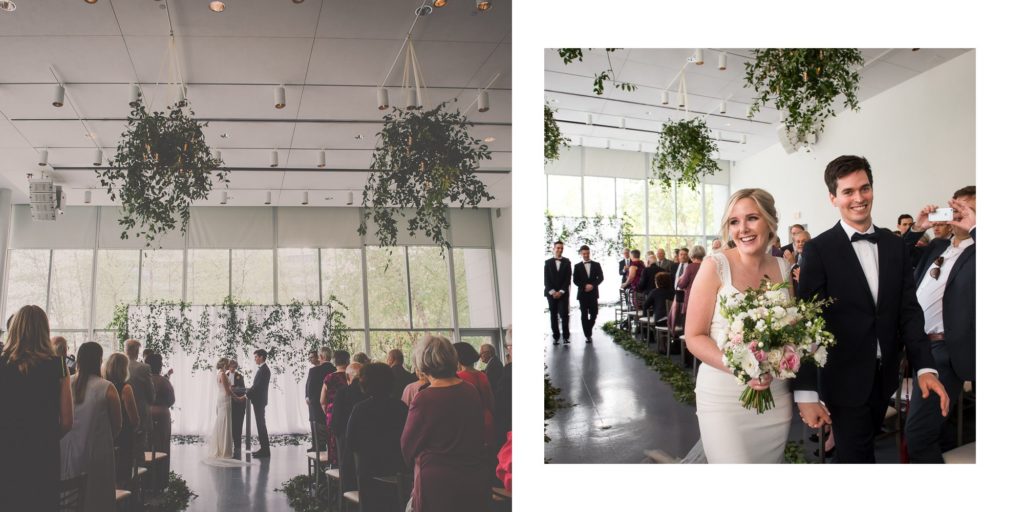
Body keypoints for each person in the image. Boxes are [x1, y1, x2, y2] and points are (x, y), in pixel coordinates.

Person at [794, 155, 948, 463]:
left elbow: (908, 311)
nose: (859, 198)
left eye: (864, 188)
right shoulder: (818, 250)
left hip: (885, 377)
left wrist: (925, 367)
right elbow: (807, 322)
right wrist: (806, 392)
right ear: (833, 198)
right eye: (848, 191)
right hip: (842, 378)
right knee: (857, 459)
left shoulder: (893, 246)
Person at [683, 188, 794, 463]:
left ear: (769, 221)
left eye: (752, 218)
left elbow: (790, 330)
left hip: (775, 395)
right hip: (723, 398)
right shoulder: (714, 266)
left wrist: (780, 359)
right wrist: (741, 366)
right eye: (734, 221)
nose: (742, 228)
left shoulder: (783, 268)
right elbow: (693, 336)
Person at [903, 186, 976, 462]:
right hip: (913, 345)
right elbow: (893, 258)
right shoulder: (937, 245)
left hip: (944, 351)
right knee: (932, 429)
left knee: (918, 434)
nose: (960, 216)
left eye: (969, 211)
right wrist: (918, 228)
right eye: (957, 209)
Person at [401, 335, 489, 512]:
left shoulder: (424, 398)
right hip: (472, 476)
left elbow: (407, 446)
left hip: (436, 482)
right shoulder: (470, 390)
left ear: (424, 362)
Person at [0, 305, 72, 511]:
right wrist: (44, 437)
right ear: (44, 330)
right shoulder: (58, 365)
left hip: (6, 450)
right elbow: (67, 421)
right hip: (43, 453)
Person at [61, 341, 118, 512]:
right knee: (96, 499)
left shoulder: (65, 382)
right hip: (97, 452)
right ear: (99, 360)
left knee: (67, 497)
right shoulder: (107, 387)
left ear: (78, 360)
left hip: (65, 451)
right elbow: (117, 425)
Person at [345, 362, 409, 512]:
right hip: (398, 473)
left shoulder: (360, 410)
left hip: (369, 475)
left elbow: (351, 442)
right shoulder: (401, 408)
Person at [105, 352, 140, 485]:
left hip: (107, 435)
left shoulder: (103, 386)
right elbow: (134, 419)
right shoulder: (125, 389)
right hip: (123, 436)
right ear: (124, 369)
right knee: (123, 475)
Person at [454, 342, 496, 449]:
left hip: (469, 425)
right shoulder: (482, 375)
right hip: (487, 421)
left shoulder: (457, 377)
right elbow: (491, 402)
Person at [206, 357, 247, 465]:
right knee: (224, 423)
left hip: (222, 398)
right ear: (225, 365)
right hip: (225, 399)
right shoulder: (223, 374)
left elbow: (225, 389)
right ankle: (224, 450)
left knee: (223, 423)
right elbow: (228, 391)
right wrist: (237, 398)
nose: (230, 366)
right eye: (228, 364)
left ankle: (221, 448)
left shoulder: (219, 374)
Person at [332, 362, 366, 489]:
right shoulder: (368, 393)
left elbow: (335, 423)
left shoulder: (342, 392)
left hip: (346, 443)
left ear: (347, 377)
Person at [147, 353, 175, 486]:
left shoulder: (144, 380)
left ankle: (146, 478)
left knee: (147, 445)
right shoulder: (164, 381)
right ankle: (160, 480)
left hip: (146, 414)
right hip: (162, 415)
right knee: (162, 445)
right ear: (159, 366)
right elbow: (171, 400)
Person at [124, 339, 154, 454]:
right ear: (137, 351)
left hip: (122, 411)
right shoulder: (143, 368)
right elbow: (151, 394)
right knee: (140, 448)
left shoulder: (116, 365)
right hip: (140, 411)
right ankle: (140, 470)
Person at [668, 245, 706, 335]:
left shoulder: (690, 267)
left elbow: (682, 284)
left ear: (691, 255)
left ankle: (686, 344)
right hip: (704, 297)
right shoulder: (706, 266)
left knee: (688, 323)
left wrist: (680, 279)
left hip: (690, 298)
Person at [321, 350, 350, 464]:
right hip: (350, 411)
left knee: (333, 441)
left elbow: (322, 401)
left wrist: (328, 412)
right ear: (348, 361)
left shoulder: (329, 377)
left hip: (332, 412)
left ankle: (334, 464)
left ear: (335, 362)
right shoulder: (350, 376)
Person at [306, 347, 336, 450]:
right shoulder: (335, 369)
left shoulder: (314, 370)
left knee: (318, 433)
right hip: (332, 406)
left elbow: (310, 388)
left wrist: (309, 399)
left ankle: (319, 452)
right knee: (330, 434)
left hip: (317, 405)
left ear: (321, 357)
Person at [573, 245, 604, 343]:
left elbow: (601, 278)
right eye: (584, 253)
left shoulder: (596, 264)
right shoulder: (577, 266)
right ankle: (588, 335)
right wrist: (585, 286)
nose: (586, 255)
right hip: (582, 294)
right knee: (584, 314)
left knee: (594, 313)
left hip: (593, 293)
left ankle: (588, 328)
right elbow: (575, 280)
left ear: (589, 253)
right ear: (581, 254)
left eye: (587, 253)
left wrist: (593, 285)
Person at [544, 240, 572, 345]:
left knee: (564, 315)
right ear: (554, 248)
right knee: (553, 315)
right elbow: (545, 279)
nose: (560, 250)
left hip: (563, 294)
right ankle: (556, 337)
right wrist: (553, 292)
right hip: (551, 294)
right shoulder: (547, 262)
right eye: (558, 248)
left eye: (561, 248)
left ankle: (565, 337)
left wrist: (560, 291)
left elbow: (568, 278)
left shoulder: (567, 262)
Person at [247, 349, 272, 458]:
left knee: (261, 425)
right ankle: (264, 449)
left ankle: (265, 451)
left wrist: (246, 395)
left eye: (256, 357)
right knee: (260, 425)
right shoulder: (263, 369)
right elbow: (256, 385)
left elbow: (257, 386)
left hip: (259, 401)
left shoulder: (264, 370)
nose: (255, 359)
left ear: (261, 357)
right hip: (259, 401)